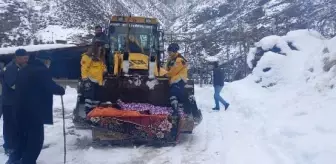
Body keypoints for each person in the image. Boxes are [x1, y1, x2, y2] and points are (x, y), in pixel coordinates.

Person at [6, 54, 65, 164]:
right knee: (35, 140)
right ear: (45, 61)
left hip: (19, 111)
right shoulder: (41, 70)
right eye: (48, 62)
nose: (49, 64)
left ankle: (13, 160)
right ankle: (28, 161)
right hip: (34, 112)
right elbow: (49, 86)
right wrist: (61, 90)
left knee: (22, 139)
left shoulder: (24, 70)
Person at [1, 49, 29, 155]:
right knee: (10, 125)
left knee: (16, 124)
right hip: (9, 102)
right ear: (18, 58)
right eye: (25, 58)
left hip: (15, 102)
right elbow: (12, 85)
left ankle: (15, 145)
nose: (26, 60)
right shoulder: (11, 68)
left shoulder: (19, 67)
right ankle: (9, 146)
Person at [80, 40, 107, 115]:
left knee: (96, 98)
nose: (100, 50)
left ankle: (94, 113)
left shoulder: (100, 58)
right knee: (89, 97)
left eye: (101, 48)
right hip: (90, 80)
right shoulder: (87, 57)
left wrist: (105, 70)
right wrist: (85, 79)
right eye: (99, 48)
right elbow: (84, 68)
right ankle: (88, 113)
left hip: (98, 81)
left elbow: (103, 67)